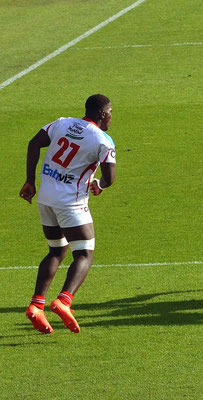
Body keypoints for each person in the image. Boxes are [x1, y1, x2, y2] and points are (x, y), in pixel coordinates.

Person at [20, 94, 116, 334]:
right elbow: (110, 177)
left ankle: (36, 305)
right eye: (111, 112)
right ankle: (64, 301)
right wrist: (100, 185)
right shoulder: (102, 140)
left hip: (46, 199)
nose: (112, 117)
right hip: (71, 204)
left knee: (56, 250)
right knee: (84, 254)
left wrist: (29, 182)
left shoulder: (62, 123)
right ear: (103, 114)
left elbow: (33, 143)